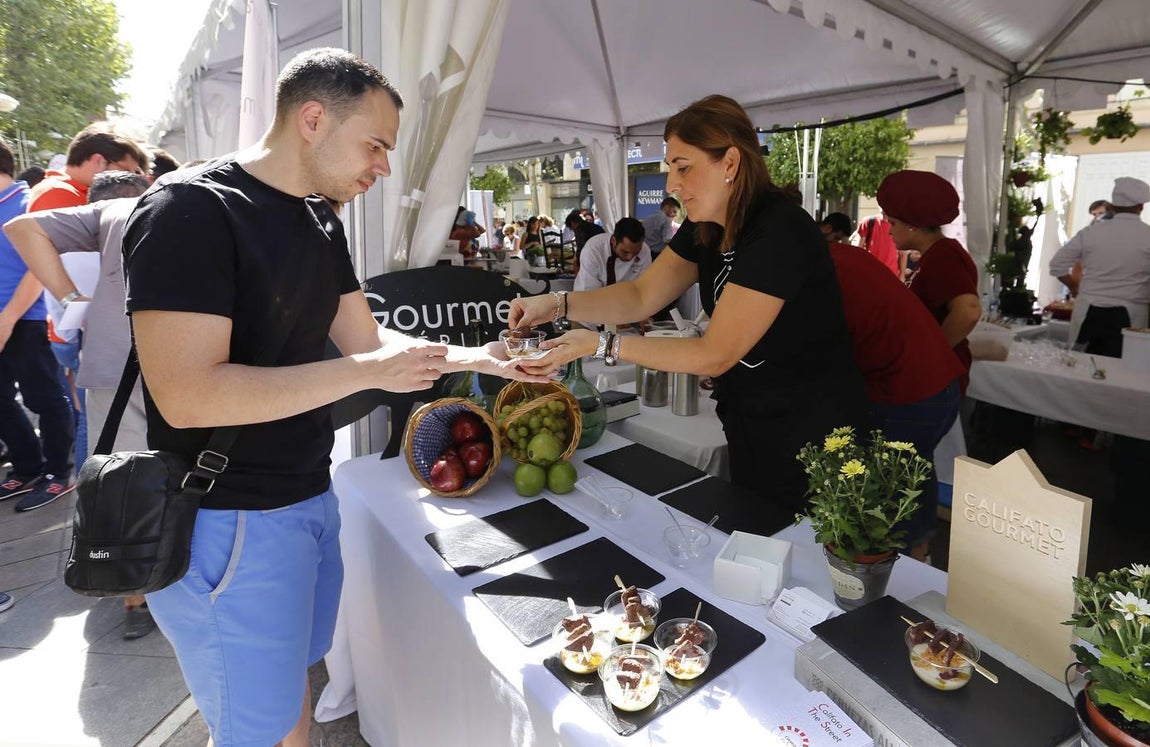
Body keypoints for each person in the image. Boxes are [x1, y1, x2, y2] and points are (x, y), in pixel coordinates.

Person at [120, 47, 542, 746]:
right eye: (375, 144)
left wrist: (490, 359)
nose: (382, 166)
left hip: (309, 499)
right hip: (227, 522)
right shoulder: (189, 210)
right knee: (249, 727)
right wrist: (367, 374)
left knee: (290, 690)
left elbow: (368, 345)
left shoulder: (319, 220)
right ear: (312, 118)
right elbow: (189, 397)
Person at [512, 94, 868, 520]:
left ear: (731, 163)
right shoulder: (707, 228)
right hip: (750, 418)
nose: (671, 186)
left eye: (683, 167)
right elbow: (642, 295)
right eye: (670, 170)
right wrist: (556, 303)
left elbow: (713, 354)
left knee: (809, 554)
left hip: (814, 431)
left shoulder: (779, 230)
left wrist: (599, 345)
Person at [5, 169, 156, 639]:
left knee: (124, 479)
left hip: (113, 365)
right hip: (184, 361)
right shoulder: (151, 206)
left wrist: (69, 294)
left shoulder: (101, 214)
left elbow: (20, 228)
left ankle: (135, 595)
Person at [828, 242, 964, 561]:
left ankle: (900, 576)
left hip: (907, 391)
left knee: (893, 493)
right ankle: (920, 556)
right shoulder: (846, 255)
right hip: (938, 384)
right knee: (914, 473)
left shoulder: (817, 272)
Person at [0, 135, 76, 510]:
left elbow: (38, 268)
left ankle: (60, 474)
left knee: (44, 398)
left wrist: (8, 317)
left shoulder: (26, 202)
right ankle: (28, 465)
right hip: (6, 321)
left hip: (28, 319)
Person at [877, 170, 981, 394]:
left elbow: (969, 311)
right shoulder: (935, 255)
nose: (888, 232)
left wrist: (930, 355)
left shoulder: (945, 255)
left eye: (893, 223)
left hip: (938, 379)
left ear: (912, 224)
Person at [1050, 177, 1150, 356]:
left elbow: (1057, 265)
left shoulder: (1090, 232)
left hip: (1088, 309)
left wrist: (1074, 286)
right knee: (1125, 370)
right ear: (1141, 206)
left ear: (1112, 205)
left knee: (1080, 364)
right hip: (1131, 313)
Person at [28, 123, 148, 210]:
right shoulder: (58, 194)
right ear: (99, 161)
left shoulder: (63, 191)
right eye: (127, 172)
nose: (132, 181)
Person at [574, 217, 651, 292]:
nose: (630, 258)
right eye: (625, 252)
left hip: (626, 299)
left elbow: (642, 286)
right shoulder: (593, 250)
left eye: (636, 252)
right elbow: (588, 292)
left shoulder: (644, 250)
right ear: (614, 240)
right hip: (593, 297)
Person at [854, 210, 903, 278]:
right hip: (871, 272)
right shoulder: (869, 221)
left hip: (891, 274)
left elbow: (902, 253)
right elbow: (858, 250)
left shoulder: (899, 225)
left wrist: (902, 275)